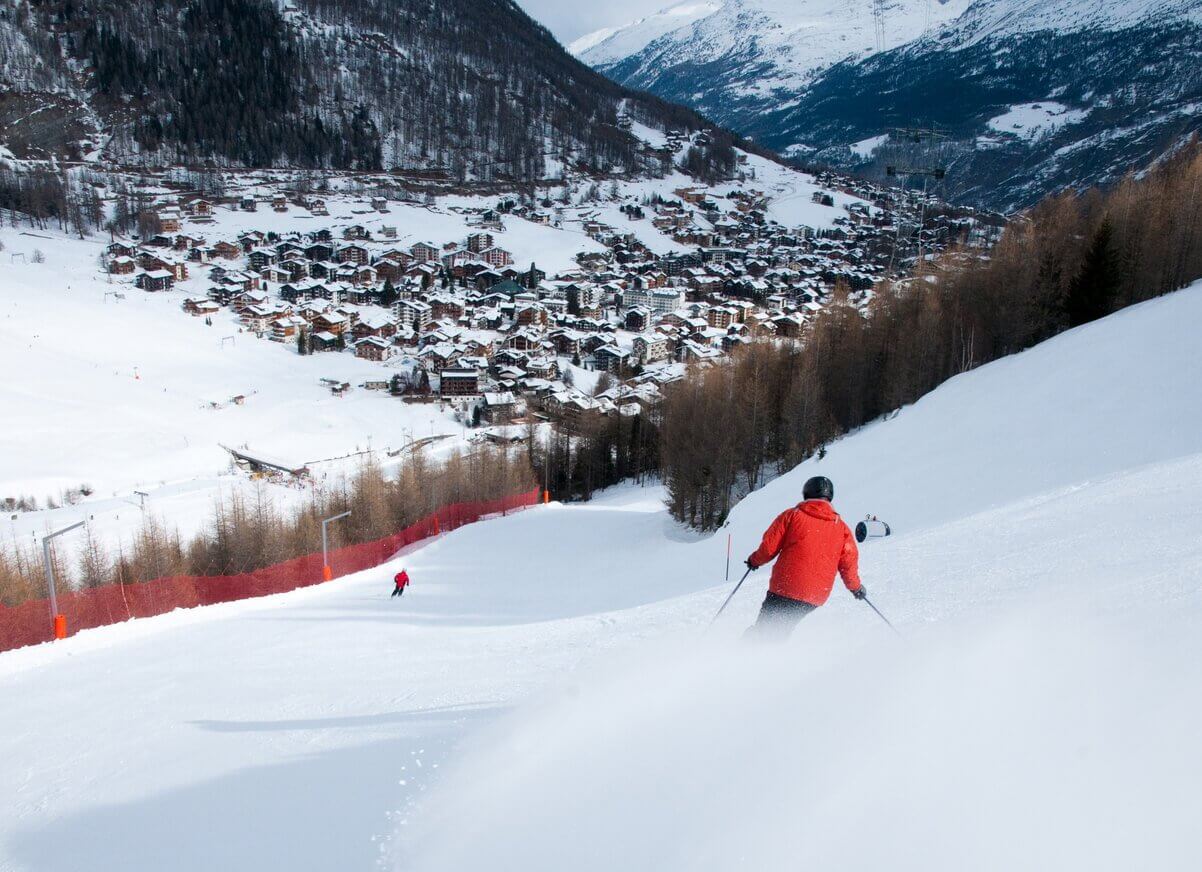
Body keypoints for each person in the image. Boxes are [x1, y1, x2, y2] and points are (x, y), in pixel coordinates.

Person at [744, 476, 865, 639]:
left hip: (786, 586)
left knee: (765, 630)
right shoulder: (841, 527)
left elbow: (769, 547)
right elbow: (848, 562)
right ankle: (768, 657)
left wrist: (754, 561)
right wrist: (855, 588)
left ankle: (741, 658)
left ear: (806, 493)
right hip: (815, 595)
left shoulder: (792, 515)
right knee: (780, 629)